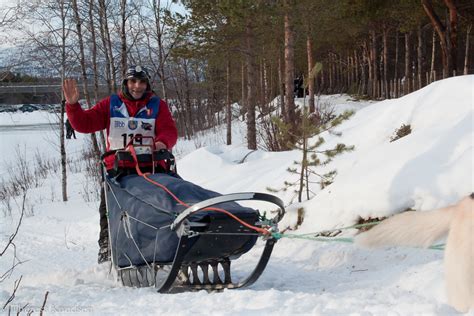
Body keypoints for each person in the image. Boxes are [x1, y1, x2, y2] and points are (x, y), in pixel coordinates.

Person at [63, 65, 178, 263]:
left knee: (163, 201)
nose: (137, 86)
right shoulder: (111, 104)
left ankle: (164, 244)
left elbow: (169, 131)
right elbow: (85, 124)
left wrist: (161, 142)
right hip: (118, 168)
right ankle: (107, 248)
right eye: (133, 81)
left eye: (142, 82)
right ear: (126, 83)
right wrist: (73, 106)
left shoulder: (157, 105)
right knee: (108, 209)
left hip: (150, 166)